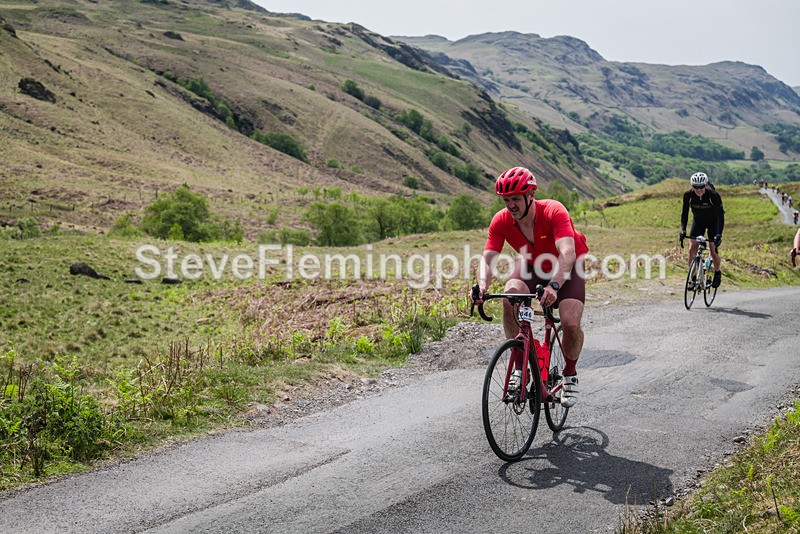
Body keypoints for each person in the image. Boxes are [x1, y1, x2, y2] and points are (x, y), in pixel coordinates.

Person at [472, 166, 589, 408]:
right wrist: (482, 285)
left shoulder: (554, 211)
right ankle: (519, 367)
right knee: (510, 297)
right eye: (506, 200)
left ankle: (570, 374)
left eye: (515, 199)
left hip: (566, 266)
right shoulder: (501, 220)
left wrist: (554, 286)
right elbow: (487, 260)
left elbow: (567, 253)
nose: (510, 205)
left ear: (530, 195)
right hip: (531, 263)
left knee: (569, 322)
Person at [680, 172, 725, 288]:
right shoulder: (688, 196)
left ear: (705, 185)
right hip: (698, 222)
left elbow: (721, 216)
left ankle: (717, 272)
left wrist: (719, 234)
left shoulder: (713, 195)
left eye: (701, 187)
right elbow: (684, 214)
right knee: (691, 249)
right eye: (696, 187)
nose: (699, 190)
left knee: (713, 250)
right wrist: (683, 230)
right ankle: (693, 278)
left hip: (713, 223)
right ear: (692, 186)